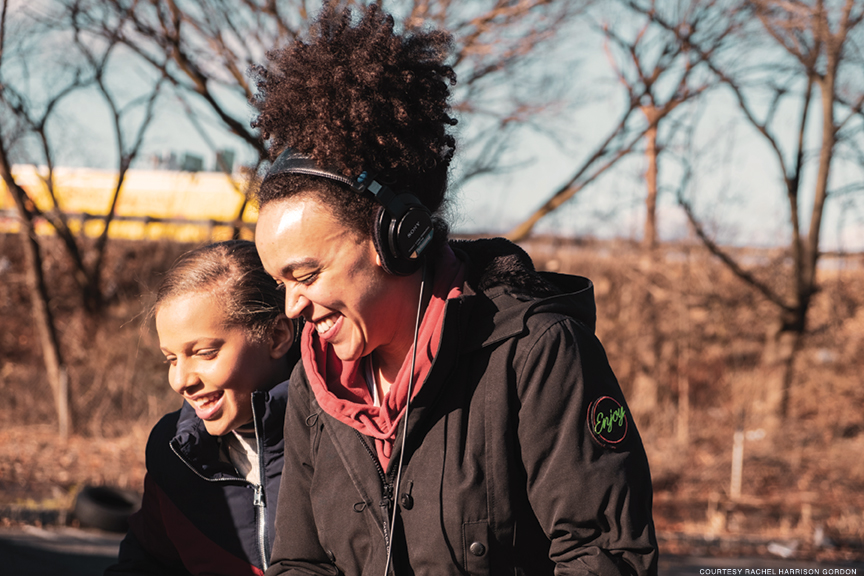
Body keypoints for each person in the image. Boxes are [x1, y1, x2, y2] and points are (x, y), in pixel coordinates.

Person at [251, 4, 658, 575]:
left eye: (306, 275)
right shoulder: (310, 389)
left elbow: (606, 556)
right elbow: (301, 563)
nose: (293, 305)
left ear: (397, 238)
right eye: (280, 282)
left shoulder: (538, 356)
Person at [105, 240, 299, 576]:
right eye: (171, 359)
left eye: (205, 353)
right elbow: (146, 563)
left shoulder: (342, 438)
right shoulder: (174, 453)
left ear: (277, 336)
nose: (181, 380)